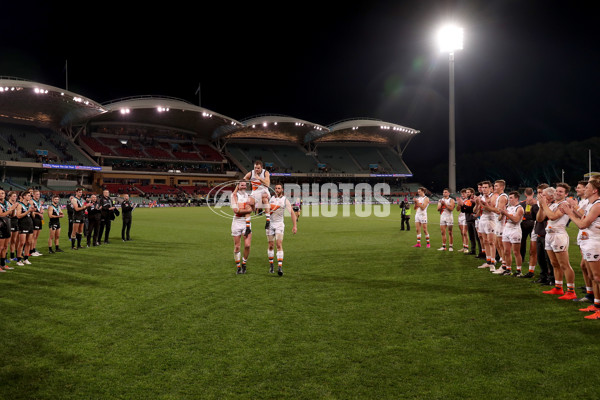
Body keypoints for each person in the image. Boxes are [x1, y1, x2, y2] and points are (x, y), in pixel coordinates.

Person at [560, 178, 600, 319]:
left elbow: (582, 224)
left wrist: (570, 213)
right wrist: (572, 210)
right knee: (592, 276)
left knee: (597, 277)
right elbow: (584, 219)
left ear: (594, 190)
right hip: (588, 241)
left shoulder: (597, 204)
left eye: (587, 187)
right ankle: (596, 305)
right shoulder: (591, 204)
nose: (584, 189)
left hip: (595, 243)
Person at [537, 183, 577, 300]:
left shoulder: (564, 204)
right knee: (554, 264)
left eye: (561, 191)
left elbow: (553, 217)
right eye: (557, 191)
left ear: (566, 194)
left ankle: (571, 290)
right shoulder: (553, 204)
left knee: (564, 264)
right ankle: (558, 287)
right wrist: (541, 206)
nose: (558, 193)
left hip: (559, 235)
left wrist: (544, 205)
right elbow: (540, 219)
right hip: (549, 235)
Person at [566, 181, 594, 302]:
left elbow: (585, 219)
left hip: (592, 239)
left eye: (581, 188)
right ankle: (590, 293)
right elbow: (581, 217)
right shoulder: (588, 202)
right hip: (584, 237)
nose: (577, 189)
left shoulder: (594, 203)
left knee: (590, 269)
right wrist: (571, 208)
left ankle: (592, 295)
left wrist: (574, 207)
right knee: (586, 267)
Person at [265, 183, 297, 276]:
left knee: (279, 244)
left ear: (282, 189)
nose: (277, 190)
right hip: (270, 224)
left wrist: (295, 226)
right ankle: (271, 266)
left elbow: (291, 213)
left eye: (279, 188)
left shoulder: (284, 200)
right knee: (271, 245)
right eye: (276, 188)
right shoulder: (271, 198)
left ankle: (280, 267)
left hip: (279, 224)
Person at [497, 191, 524, 276]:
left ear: (516, 198)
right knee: (506, 251)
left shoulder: (519, 208)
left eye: (511, 198)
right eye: (509, 198)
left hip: (515, 230)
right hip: (506, 229)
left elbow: (516, 220)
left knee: (516, 252)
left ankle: (519, 270)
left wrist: (505, 213)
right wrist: (502, 213)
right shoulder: (508, 207)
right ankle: (508, 269)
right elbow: (499, 219)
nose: (509, 199)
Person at [231, 181, 255, 274]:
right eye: (241, 185)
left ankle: (244, 263)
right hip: (236, 222)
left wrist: (243, 209)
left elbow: (252, 209)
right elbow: (235, 211)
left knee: (247, 245)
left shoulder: (249, 197)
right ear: (238, 186)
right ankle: (238, 267)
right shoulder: (234, 196)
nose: (244, 186)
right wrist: (246, 209)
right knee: (237, 247)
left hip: (246, 223)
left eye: (245, 185)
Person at [533, 183, 554, 285]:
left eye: (543, 193)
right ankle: (543, 276)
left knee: (549, 259)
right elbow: (538, 218)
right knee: (540, 258)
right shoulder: (542, 205)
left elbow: (542, 217)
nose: (540, 196)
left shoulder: (552, 205)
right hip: (539, 232)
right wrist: (541, 206)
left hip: (548, 234)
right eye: (539, 193)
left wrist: (543, 205)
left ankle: (552, 278)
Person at [476, 181, 498, 270]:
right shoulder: (481, 197)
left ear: (490, 188)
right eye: (483, 187)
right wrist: (477, 204)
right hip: (482, 219)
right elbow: (476, 210)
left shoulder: (493, 197)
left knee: (491, 242)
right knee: (485, 241)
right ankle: (488, 261)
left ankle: (493, 261)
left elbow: (493, 209)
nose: (483, 189)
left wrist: (484, 204)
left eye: (486, 187)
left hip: (491, 220)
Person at [243, 160, 271, 229]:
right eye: (255, 168)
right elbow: (243, 180)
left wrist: (259, 179)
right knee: (248, 203)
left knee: (265, 199)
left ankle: (268, 220)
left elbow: (267, 184)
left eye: (258, 168)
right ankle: (247, 225)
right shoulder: (251, 173)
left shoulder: (265, 173)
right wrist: (244, 182)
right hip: (255, 192)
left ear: (261, 167)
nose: (256, 169)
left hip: (264, 190)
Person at [519, 187, 538, 278]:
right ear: (533, 193)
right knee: (535, 243)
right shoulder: (536, 202)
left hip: (524, 223)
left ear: (525, 194)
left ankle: (522, 258)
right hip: (534, 223)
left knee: (523, 241)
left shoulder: (522, 203)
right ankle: (535, 260)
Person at [15, 190, 35, 266]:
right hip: (22, 225)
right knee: (22, 243)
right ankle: (19, 260)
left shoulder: (29, 205)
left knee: (29, 242)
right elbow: (18, 216)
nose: (30, 197)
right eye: (28, 195)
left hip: (30, 224)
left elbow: (32, 216)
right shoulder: (20, 205)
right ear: (24, 196)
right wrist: (28, 211)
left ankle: (26, 259)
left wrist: (32, 211)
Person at [0, 189, 18, 272]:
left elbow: (12, 215)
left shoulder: (6, 203)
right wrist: (11, 209)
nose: (1, 195)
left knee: (5, 247)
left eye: (3, 193)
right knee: (0, 247)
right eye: (0, 193)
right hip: (1, 226)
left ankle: (3, 265)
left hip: (7, 225)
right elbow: (1, 214)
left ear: (5, 195)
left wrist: (13, 209)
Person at [30, 189, 44, 256]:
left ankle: (34, 249)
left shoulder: (39, 202)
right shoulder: (31, 201)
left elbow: (39, 210)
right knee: (33, 236)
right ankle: (31, 251)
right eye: (37, 194)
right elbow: (31, 212)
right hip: (34, 219)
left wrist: (41, 211)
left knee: (36, 236)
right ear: (33, 195)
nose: (38, 195)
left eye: (39, 194)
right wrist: (38, 213)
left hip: (39, 219)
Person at [7, 191, 19, 263]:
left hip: (16, 222)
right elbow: (9, 213)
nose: (15, 197)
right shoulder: (7, 203)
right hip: (9, 221)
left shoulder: (16, 204)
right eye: (13, 196)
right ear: (10, 196)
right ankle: (4, 257)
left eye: (15, 196)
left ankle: (12, 256)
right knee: (8, 241)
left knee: (14, 240)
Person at [456, 188, 470, 253]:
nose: (462, 195)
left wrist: (462, 203)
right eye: (462, 194)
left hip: (466, 217)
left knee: (465, 232)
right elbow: (457, 209)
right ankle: (464, 246)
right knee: (462, 233)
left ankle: (466, 247)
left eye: (464, 193)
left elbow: (466, 209)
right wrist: (459, 203)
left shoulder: (468, 200)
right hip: (460, 217)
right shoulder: (462, 200)